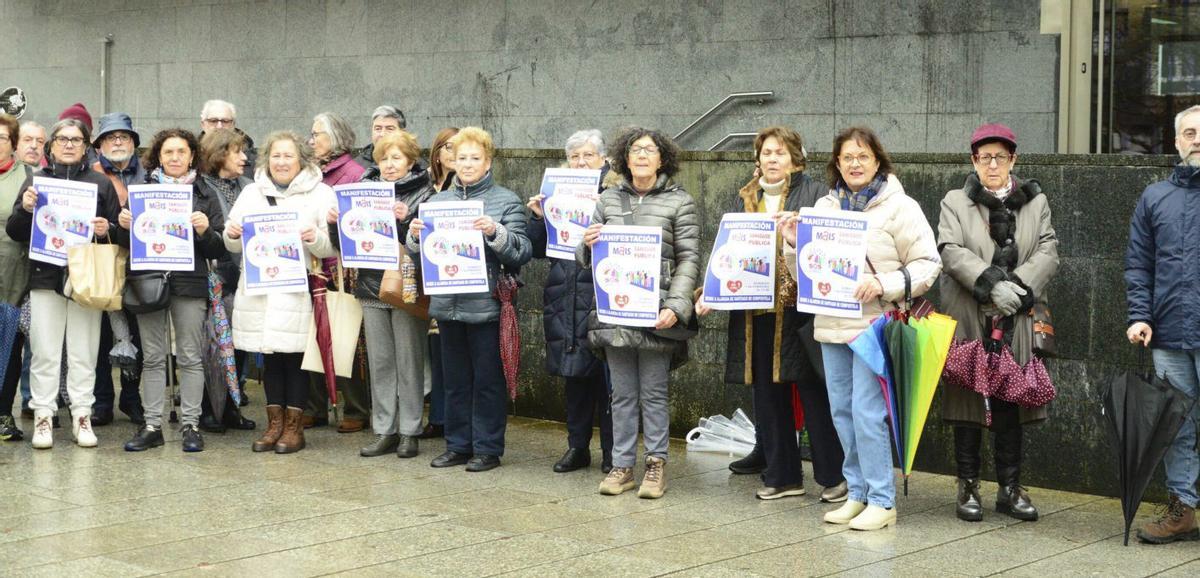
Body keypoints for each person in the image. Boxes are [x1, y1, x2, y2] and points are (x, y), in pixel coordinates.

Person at [781, 126, 940, 530]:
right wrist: (791, 243)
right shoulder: (825, 208)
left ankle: (883, 500)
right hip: (833, 324)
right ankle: (858, 493)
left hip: (874, 324)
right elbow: (802, 275)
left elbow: (928, 263)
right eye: (847, 158)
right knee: (842, 411)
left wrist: (884, 283)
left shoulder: (900, 207)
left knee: (868, 413)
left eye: (862, 157)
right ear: (836, 163)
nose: (854, 164)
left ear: (877, 161)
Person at [697, 126, 846, 502]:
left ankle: (833, 477)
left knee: (814, 395)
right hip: (756, 311)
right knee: (768, 396)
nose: (772, 159)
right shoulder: (746, 197)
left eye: (780, 152)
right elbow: (729, 252)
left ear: (796, 158)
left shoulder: (815, 194)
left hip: (801, 311)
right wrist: (711, 290)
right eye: (766, 153)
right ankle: (783, 476)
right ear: (757, 159)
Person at [937, 123, 1059, 522]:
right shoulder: (956, 201)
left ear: (1013, 160)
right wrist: (990, 285)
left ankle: (1009, 488)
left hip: (1016, 316)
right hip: (972, 314)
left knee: (1011, 398)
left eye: (1001, 157)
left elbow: (1048, 250)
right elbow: (951, 251)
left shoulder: (1034, 203)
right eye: (984, 157)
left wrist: (1017, 288)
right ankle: (967, 484)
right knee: (968, 399)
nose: (993, 164)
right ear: (974, 160)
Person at [578, 127, 701, 499]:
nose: (642, 156)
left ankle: (656, 464)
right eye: (635, 150)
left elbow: (690, 259)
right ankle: (622, 465)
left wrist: (676, 307)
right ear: (624, 159)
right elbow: (587, 257)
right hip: (615, 312)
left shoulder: (681, 202)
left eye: (650, 150)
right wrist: (586, 244)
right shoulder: (608, 199)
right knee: (622, 394)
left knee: (653, 392)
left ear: (663, 159)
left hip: (656, 314)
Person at [406, 126, 531, 472]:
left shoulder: (505, 200)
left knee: (488, 381)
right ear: (451, 161)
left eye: (475, 157)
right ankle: (458, 445)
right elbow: (422, 258)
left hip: (487, 306)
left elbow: (522, 251)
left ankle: (488, 447)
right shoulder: (436, 202)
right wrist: (415, 238)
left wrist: (495, 231)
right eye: (461, 158)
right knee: (456, 381)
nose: (468, 164)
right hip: (448, 306)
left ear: (488, 161)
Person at [6, 118, 121, 449]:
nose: (69, 144)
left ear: (86, 146)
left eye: (76, 139)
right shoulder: (37, 182)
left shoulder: (100, 183)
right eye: (62, 139)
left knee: (84, 351)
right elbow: (15, 230)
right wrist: (27, 209)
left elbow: (118, 232)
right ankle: (44, 415)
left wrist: (106, 229)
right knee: (44, 351)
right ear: (50, 146)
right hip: (45, 277)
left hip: (88, 279)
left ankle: (81, 415)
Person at [223, 131, 337, 454]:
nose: (282, 162)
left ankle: (294, 428)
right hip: (260, 289)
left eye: (288, 155)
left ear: (301, 158)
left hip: (296, 288)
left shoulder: (321, 193)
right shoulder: (251, 193)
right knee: (269, 355)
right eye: (276, 156)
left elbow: (330, 246)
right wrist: (231, 234)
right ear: (266, 159)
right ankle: (273, 424)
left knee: (295, 356)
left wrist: (315, 236)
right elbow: (232, 238)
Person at [116, 128, 228, 452]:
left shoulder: (205, 193)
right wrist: (123, 227)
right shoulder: (140, 192)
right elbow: (126, 244)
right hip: (148, 281)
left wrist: (206, 231)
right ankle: (153, 425)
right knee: (152, 357)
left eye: (181, 151)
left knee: (190, 356)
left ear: (192, 155)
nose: (175, 157)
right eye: (168, 152)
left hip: (190, 284)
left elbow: (219, 248)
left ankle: (190, 425)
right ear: (158, 157)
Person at [329, 130, 433, 458]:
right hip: (370, 283)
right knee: (381, 361)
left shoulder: (425, 193)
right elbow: (345, 241)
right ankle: (385, 429)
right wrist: (335, 224)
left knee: (409, 359)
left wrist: (406, 222)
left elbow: (426, 244)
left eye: (396, 158)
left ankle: (410, 430)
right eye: (384, 158)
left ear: (411, 160)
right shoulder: (361, 191)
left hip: (404, 285)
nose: (389, 165)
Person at [1126, 104, 1200, 544]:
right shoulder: (1155, 197)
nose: (1197, 139)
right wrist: (1139, 315)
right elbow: (1139, 264)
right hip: (1169, 333)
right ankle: (1182, 509)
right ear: (1175, 141)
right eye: (1189, 132)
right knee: (1176, 425)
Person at [526, 129, 616, 473]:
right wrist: (537, 217)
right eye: (575, 156)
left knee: (611, 380)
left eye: (588, 156)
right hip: (565, 292)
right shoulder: (555, 193)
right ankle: (577, 447)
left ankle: (613, 453)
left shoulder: (615, 193)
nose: (581, 162)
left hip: (603, 293)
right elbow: (535, 249)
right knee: (575, 375)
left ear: (604, 160)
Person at [304, 111, 370, 432]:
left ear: (337, 139)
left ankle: (356, 408)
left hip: (344, 268)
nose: (311, 140)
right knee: (314, 337)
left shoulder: (355, 174)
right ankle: (314, 406)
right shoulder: (311, 174)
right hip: (314, 263)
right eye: (312, 134)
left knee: (348, 336)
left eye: (318, 134)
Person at [195, 128, 256, 434]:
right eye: (237, 151)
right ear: (219, 154)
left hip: (246, 275)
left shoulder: (249, 186)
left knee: (238, 345)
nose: (244, 157)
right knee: (213, 346)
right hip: (215, 277)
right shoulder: (202, 187)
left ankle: (231, 407)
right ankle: (210, 409)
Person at [90, 112, 146, 427]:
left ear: (133, 143)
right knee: (100, 338)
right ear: (99, 145)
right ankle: (102, 402)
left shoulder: (148, 176)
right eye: (110, 137)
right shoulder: (92, 175)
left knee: (137, 334)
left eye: (123, 137)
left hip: (139, 268)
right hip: (101, 266)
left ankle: (131, 397)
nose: (117, 142)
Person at [418, 126, 461, 441]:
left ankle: (444, 417)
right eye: (446, 146)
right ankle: (436, 412)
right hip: (418, 276)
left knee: (446, 351)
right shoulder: (424, 185)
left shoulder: (465, 188)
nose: (451, 152)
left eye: (457, 148)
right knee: (428, 351)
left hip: (452, 278)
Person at [0, 114, 29, 441]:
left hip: (12, 274)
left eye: (2, 138)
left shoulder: (27, 177)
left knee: (8, 344)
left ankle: (3, 412)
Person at [199, 100, 256, 178]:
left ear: (233, 125)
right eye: (213, 121)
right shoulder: (191, 154)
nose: (219, 126)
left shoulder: (253, 158)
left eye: (225, 121)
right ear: (203, 125)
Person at [355, 106, 407, 170]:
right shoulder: (356, 166)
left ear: (403, 133)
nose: (382, 134)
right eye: (378, 128)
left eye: (389, 129)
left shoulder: (416, 166)